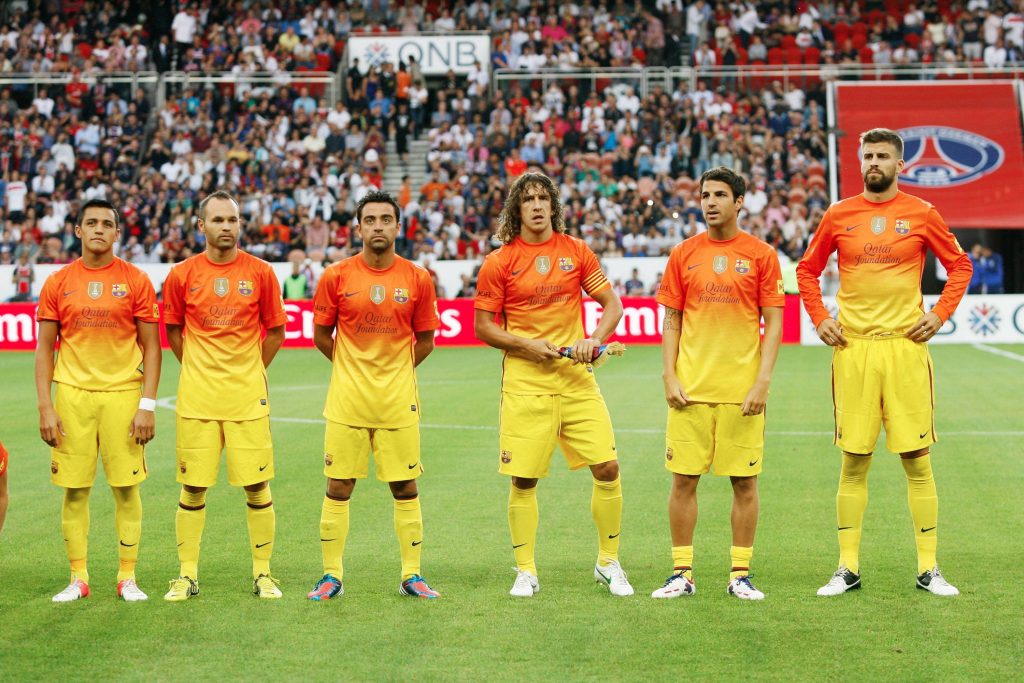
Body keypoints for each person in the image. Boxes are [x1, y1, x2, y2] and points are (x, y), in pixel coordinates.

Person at [796, 128, 973, 597]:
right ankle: (847, 568)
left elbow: (961, 265)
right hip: (853, 350)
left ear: (900, 165)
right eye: (868, 155)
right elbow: (806, 270)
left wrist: (940, 314)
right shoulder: (839, 214)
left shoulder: (922, 213)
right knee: (854, 461)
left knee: (917, 460)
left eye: (882, 156)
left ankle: (929, 569)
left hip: (904, 349)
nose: (873, 162)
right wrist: (819, 318)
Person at [474, 172, 633, 598]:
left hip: (576, 380)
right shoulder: (499, 262)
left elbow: (613, 306)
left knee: (608, 467)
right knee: (524, 480)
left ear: (553, 205)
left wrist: (593, 340)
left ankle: (608, 563)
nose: (537, 205)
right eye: (528, 199)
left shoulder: (576, 250)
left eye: (543, 198)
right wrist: (526, 345)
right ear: (517, 208)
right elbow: (483, 327)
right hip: (525, 385)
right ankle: (525, 570)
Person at [651, 167, 784, 601]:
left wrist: (762, 381)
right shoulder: (683, 253)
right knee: (682, 482)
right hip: (690, 391)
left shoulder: (761, 255)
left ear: (739, 201)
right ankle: (681, 573)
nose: (710, 202)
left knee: (744, 484)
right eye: (705, 195)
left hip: (740, 393)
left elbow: (774, 322)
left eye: (720, 195)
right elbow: (672, 320)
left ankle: (740, 575)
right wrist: (669, 374)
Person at [306, 190, 441, 601]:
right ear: (358, 227)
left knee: (405, 486)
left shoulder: (417, 278)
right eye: (370, 220)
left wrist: (394, 372)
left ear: (398, 226)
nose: (378, 226)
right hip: (347, 402)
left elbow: (426, 340)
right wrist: (353, 370)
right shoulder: (336, 276)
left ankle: (412, 574)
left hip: (397, 402)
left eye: (385, 219)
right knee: (338, 486)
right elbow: (320, 335)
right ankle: (331, 576)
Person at [161, 190, 287, 601]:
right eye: (217, 220)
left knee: (257, 485)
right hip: (197, 398)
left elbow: (276, 331)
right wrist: (198, 368)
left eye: (232, 220)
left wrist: (250, 370)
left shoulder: (261, 272)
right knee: (193, 487)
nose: (226, 227)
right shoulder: (181, 274)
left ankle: (263, 573)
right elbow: (173, 330)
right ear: (202, 226)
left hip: (246, 399)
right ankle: (187, 575)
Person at [34, 198, 162, 603]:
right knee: (74, 490)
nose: (99, 230)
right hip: (72, 397)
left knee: (126, 488)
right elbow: (45, 348)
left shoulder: (136, 279)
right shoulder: (58, 282)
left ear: (117, 233)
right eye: (91, 223)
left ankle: (127, 577)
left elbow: (152, 347)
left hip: (123, 395)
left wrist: (147, 405)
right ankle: (78, 578)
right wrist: (45, 406)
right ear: (77, 230)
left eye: (107, 224)